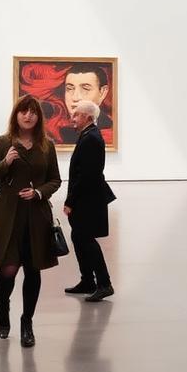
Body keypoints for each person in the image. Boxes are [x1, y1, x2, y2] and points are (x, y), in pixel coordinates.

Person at [0, 95, 62, 348]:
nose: (28, 116)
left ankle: (27, 322)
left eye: (33, 112)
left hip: (36, 216)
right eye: (23, 112)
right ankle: (3, 306)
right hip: (9, 215)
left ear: (39, 117)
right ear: (16, 115)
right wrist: (5, 162)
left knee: (33, 269)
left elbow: (55, 180)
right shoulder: (3, 142)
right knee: (8, 269)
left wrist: (39, 192)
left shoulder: (46, 145)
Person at [62, 100, 116, 302]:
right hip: (86, 198)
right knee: (79, 237)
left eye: (76, 115)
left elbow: (85, 176)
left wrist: (70, 201)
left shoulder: (91, 138)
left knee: (86, 240)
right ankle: (88, 280)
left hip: (88, 200)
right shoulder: (88, 135)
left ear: (88, 118)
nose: (72, 118)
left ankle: (104, 283)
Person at [58, 64, 113, 143]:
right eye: (69, 89)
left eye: (85, 89)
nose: (75, 97)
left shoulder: (109, 128)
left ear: (102, 92)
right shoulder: (60, 131)